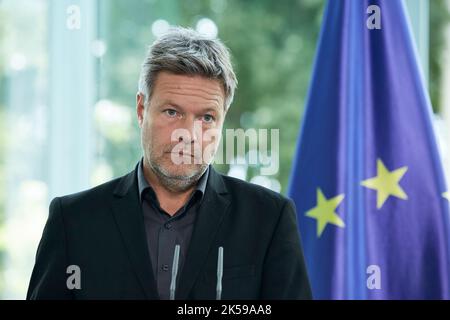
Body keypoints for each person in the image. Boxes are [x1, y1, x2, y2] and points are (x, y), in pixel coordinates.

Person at [27, 27, 312, 300]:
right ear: (142, 109)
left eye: (207, 118)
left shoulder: (269, 219)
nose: (188, 135)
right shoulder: (73, 221)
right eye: (172, 111)